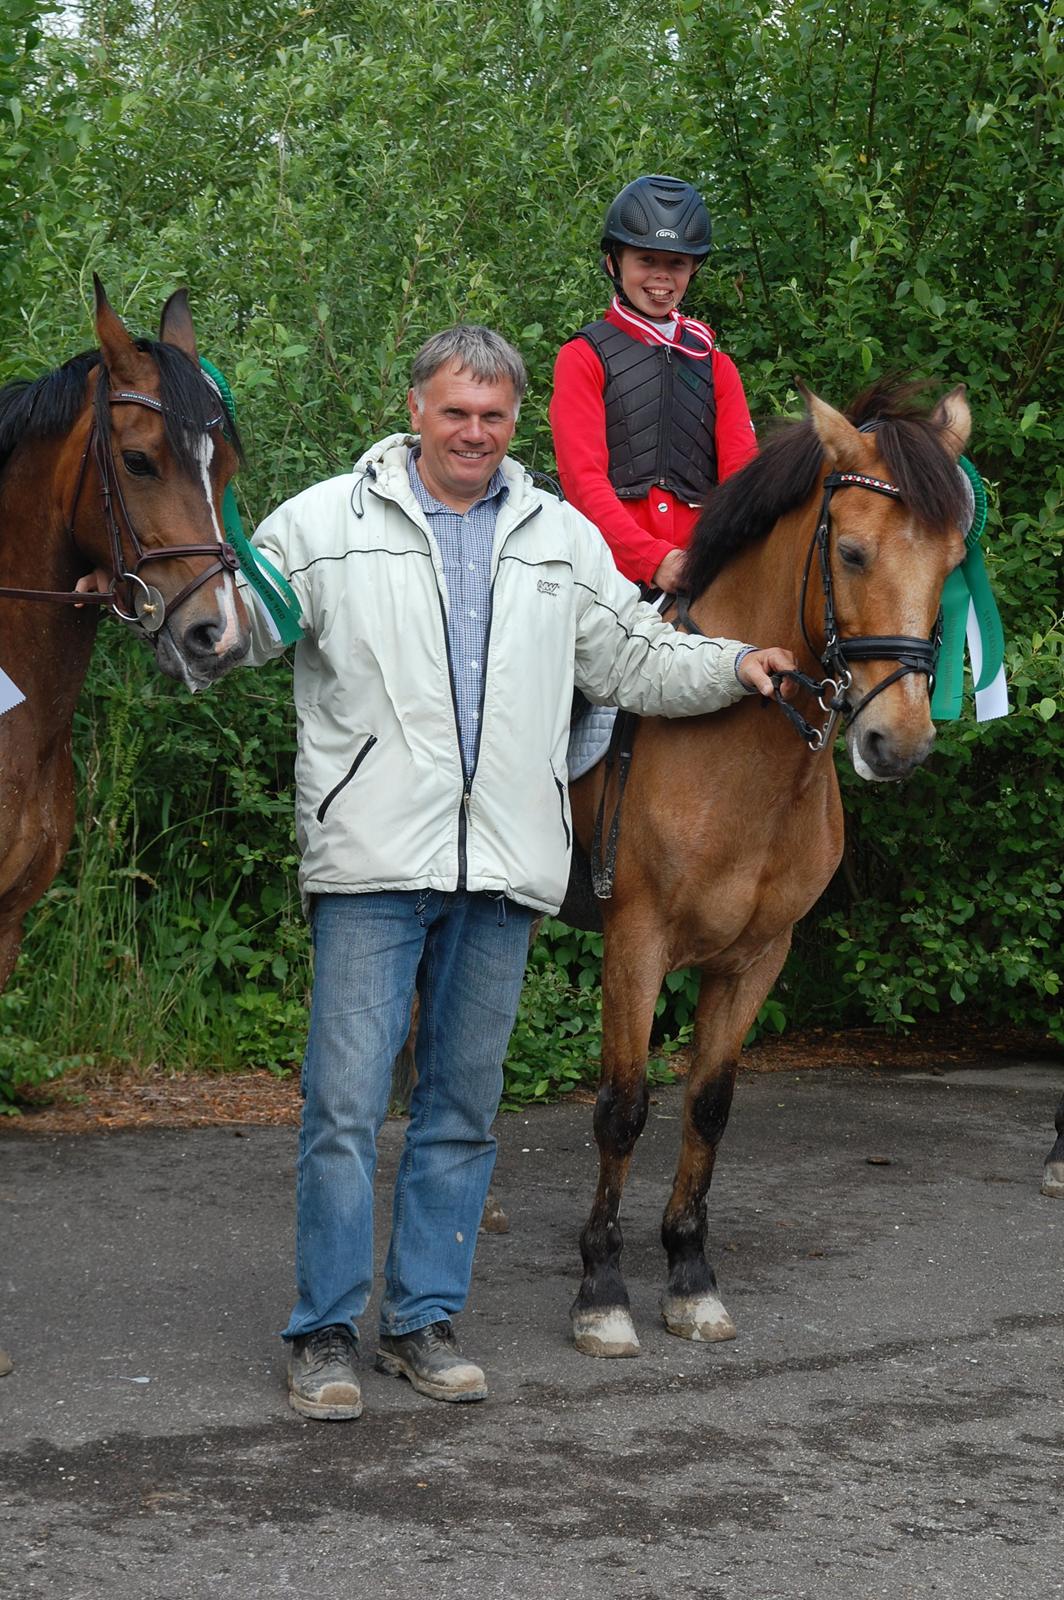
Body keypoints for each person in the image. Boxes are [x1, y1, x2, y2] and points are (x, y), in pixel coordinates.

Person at [238, 325, 796, 1422]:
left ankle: (421, 1321)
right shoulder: (320, 524)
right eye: (455, 412)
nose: (475, 435)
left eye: (494, 417)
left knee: (460, 1108)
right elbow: (229, 625)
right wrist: (166, 599)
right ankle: (321, 1334)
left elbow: (632, 654)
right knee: (346, 1109)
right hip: (371, 864)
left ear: (514, 423)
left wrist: (734, 662)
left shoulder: (559, 538)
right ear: (414, 406)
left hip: (500, 868)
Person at [550, 174, 758, 592]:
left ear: (692, 269)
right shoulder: (582, 357)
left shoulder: (716, 366)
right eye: (646, 260)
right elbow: (583, 482)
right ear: (614, 262)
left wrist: (720, 558)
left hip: (704, 573)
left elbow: (743, 479)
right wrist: (653, 558)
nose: (661, 278)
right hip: (609, 574)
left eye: (676, 264)